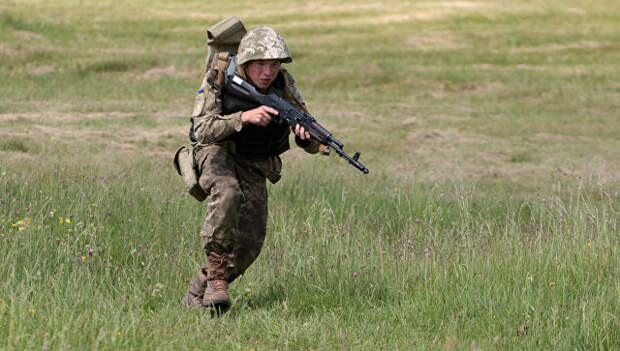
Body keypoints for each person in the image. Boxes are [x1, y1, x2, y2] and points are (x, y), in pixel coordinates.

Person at [181, 26, 321, 313]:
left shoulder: (283, 84)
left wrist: (308, 140)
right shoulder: (219, 75)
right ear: (245, 63)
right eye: (261, 64)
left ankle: (198, 292)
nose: (268, 71)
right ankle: (217, 277)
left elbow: (306, 123)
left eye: (274, 64)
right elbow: (202, 129)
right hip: (216, 150)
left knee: (250, 242)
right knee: (228, 190)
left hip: (254, 159)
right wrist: (243, 117)